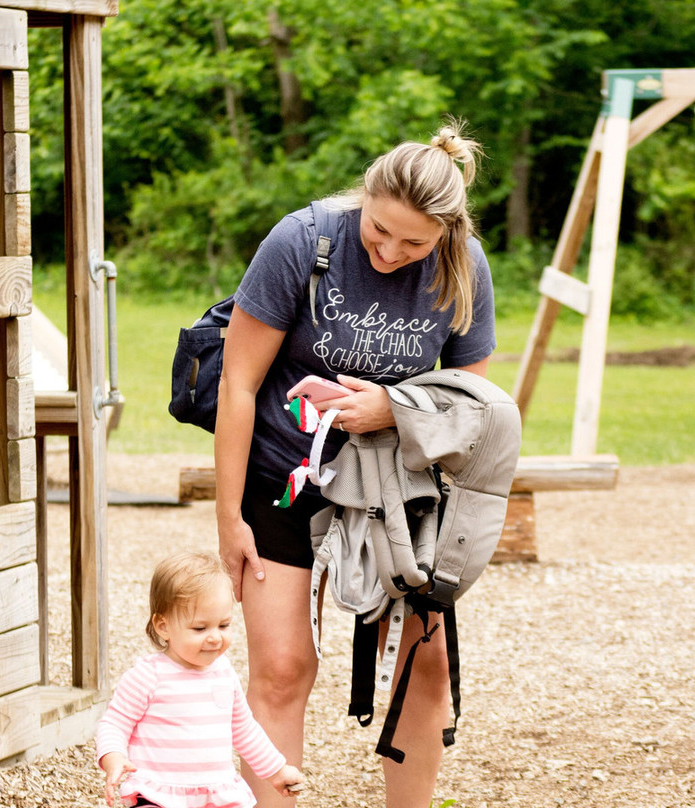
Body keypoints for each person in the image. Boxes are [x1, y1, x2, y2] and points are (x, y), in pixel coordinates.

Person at [215, 120, 495, 808]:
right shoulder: (300, 241)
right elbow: (239, 382)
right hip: (286, 474)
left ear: (446, 235)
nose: (393, 252)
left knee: (423, 670)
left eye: (415, 243)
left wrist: (391, 410)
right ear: (362, 199)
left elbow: (468, 406)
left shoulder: (466, 268)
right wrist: (228, 515)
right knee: (282, 667)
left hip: (398, 488)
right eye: (378, 232)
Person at [95, 551, 304, 808]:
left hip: (217, 794)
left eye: (224, 625)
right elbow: (115, 723)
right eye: (200, 628)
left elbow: (244, 730)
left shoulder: (224, 674)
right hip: (159, 793)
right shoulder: (148, 676)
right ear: (163, 626)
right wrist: (114, 757)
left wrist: (276, 771)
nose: (215, 637)